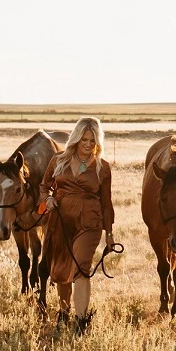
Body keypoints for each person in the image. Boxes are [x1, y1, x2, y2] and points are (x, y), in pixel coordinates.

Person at [40, 116, 115, 333]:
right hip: (61, 220)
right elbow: (44, 187)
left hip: (89, 222)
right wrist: (48, 200)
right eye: (84, 139)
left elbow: (107, 204)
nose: (88, 144)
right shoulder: (58, 160)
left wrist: (109, 233)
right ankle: (63, 314)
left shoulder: (103, 168)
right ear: (76, 138)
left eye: (93, 140)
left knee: (81, 267)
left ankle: (81, 323)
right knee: (62, 269)